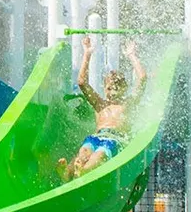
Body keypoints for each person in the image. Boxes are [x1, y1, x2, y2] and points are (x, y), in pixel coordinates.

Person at [62, 38, 146, 178]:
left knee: (100, 155)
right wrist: (87, 54)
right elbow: (82, 82)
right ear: (104, 88)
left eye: (116, 89)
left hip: (115, 140)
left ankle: (83, 170)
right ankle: (68, 172)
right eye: (109, 88)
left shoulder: (128, 104)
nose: (112, 92)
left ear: (124, 88)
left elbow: (142, 78)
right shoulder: (99, 104)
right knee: (84, 151)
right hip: (96, 136)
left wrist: (131, 55)